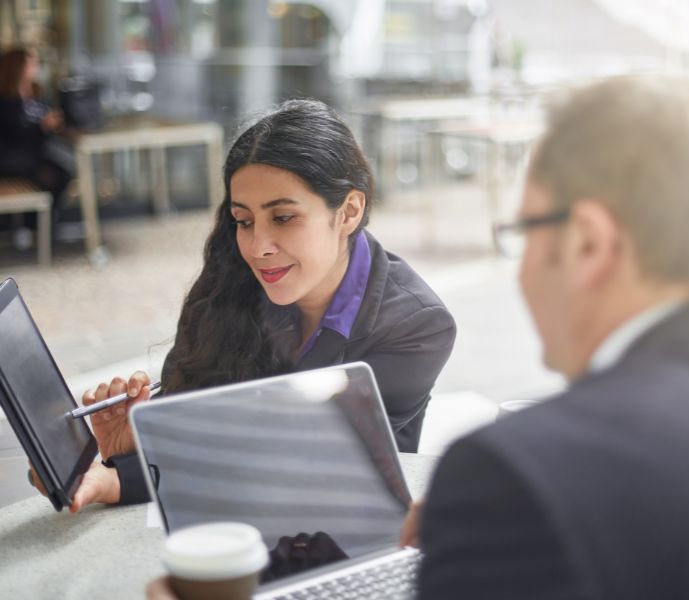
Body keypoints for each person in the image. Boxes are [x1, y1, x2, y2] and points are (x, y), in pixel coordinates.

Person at [412, 75, 689, 599]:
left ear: (589, 245)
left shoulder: (514, 479)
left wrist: (476, 528)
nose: (523, 271)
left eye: (525, 233)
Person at [30, 99, 456, 511]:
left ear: (348, 211)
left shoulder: (416, 326)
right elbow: (200, 421)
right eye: (244, 220)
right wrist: (123, 449)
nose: (257, 247)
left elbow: (289, 456)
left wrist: (128, 475)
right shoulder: (231, 280)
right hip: (226, 520)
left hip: (340, 534)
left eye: (283, 218)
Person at [0, 47, 73, 243]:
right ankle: (34, 225)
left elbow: (43, 116)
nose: (35, 67)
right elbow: (15, 131)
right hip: (12, 159)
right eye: (31, 62)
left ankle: (39, 225)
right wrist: (40, 126)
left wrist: (51, 122)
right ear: (19, 67)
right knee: (55, 176)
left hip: (32, 156)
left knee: (64, 171)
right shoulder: (6, 99)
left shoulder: (33, 93)